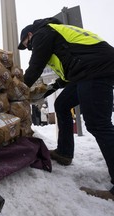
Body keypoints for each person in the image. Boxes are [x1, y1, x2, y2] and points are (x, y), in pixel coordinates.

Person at [18, 17, 114, 201]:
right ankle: (64, 152)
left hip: (95, 69)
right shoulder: (58, 38)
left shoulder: (42, 33)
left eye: (27, 45)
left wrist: (19, 91)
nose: (30, 48)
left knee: (98, 124)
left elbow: (35, 67)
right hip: (86, 70)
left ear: (30, 35)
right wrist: (49, 89)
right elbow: (68, 72)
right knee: (62, 105)